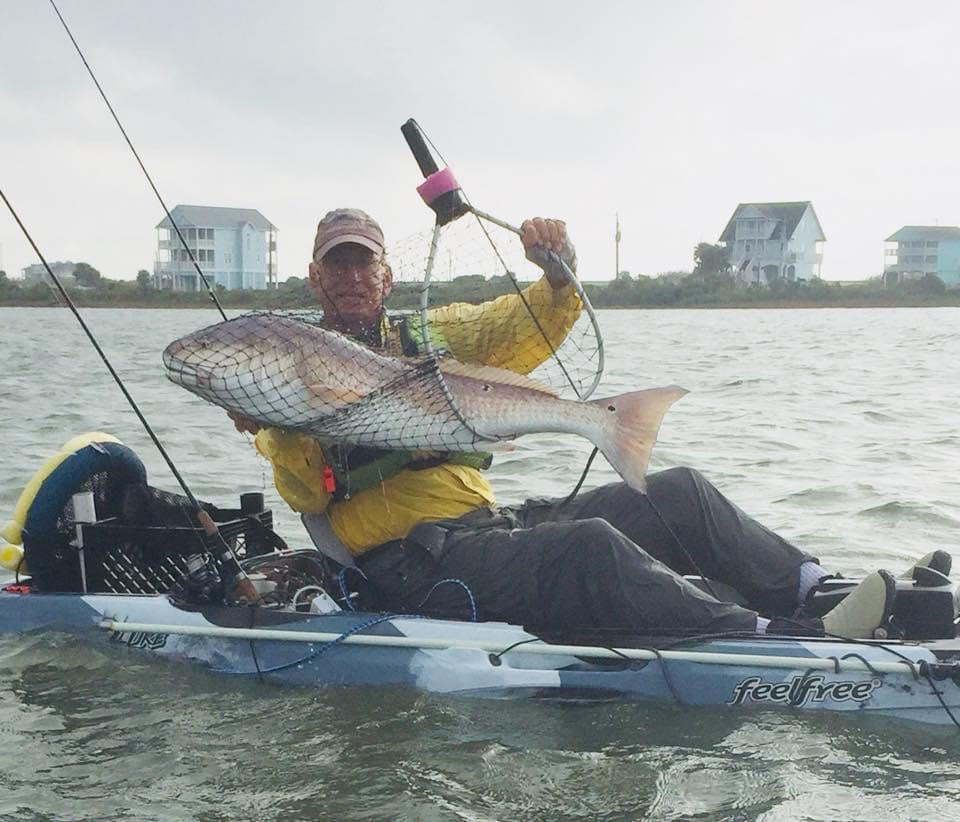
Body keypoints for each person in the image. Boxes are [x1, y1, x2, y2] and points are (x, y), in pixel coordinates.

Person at [231, 208, 935, 640]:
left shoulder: (431, 334)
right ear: (315, 278)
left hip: (484, 530)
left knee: (678, 492)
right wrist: (280, 423)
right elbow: (308, 498)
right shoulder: (283, 370)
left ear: (385, 276)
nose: (351, 276)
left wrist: (557, 273)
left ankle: (824, 589)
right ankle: (781, 636)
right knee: (587, 548)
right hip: (406, 566)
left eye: (364, 262)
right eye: (337, 264)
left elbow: (518, 322)